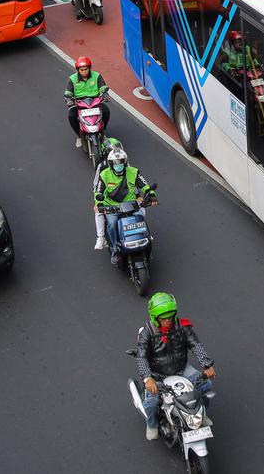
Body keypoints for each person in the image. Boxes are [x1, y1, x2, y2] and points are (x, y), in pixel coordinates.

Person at [135, 292, 216, 441]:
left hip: (181, 369)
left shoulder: (183, 327)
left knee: (206, 386)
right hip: (157, 374)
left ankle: (202, 415)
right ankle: (152, 424)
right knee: (151, 402)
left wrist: (207, 364)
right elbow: (141, 357)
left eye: (170, 316)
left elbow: (195, 345)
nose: (167, 321)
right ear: (155, 317)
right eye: (163, 318)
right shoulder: (146, 333)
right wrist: (148, 378)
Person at [93, 149, 155, 260]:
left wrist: (151, 194)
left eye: (121, 162)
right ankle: (114, 247)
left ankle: (145, 236)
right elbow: (98, 192)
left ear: (125, 162)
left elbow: (144, 185)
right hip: (112, 206)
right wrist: (99, 204)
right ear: (111, 163)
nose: (118, 165)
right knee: (111, 224)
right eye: (115, 163)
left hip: (131, 204)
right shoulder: (104, 174)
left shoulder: (134, 171)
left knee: (141, 216)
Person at [64, 56, 110, 148]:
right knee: (71, 116)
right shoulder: (72, 79)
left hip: (95, 101)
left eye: (86, 69)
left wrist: (104, 94)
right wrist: (69, 100)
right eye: (81, 70)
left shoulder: (96, 76)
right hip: (79, 103)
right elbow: (68, 92)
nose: (84, 72)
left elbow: (102, 87)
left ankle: (102, 132)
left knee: (106, 112)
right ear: (78, 70)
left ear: (89, 68)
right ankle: (79, 136)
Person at [91, 137, 124, 252]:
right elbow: (96, 185)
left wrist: (138, 195)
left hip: (124, 196)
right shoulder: (102, 167)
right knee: (99, 212)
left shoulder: (125, 162)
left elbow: (132, 181)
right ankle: (101, 238)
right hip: (107, 197)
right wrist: (98, 202)